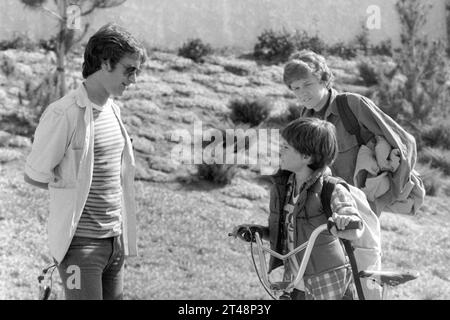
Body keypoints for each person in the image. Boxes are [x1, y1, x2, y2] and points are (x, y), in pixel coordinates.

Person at [24, 23, 146, 300]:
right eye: (129, 70)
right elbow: (34, 176)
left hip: (114, 243)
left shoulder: (113, 110)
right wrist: (74, 190)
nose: (133, 79)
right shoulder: (63, 113)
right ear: (105, 62)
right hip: (81, 247)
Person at [233, 117, 364, 300]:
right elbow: (285, 233)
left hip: (327, 286)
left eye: (286, 147)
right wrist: (259, 232)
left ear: (306, 156)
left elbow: (354, 226)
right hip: (294, 284)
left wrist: (344, 221)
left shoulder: (331, 189)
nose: (281, 151)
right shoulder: (284, 188)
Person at [282, 50, 423, 216]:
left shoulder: (351, 104)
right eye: (296, 88)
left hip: (362, 206)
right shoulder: (305, 119)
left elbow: (406, 142)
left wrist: (387, 196)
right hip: (331, 206)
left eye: (307, 84)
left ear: (323, 79)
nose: (302, 93)